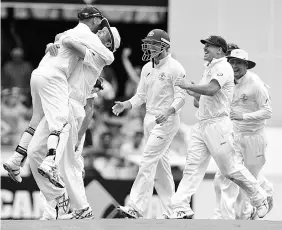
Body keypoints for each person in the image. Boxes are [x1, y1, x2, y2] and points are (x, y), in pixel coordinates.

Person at [3, 5, 113, 188]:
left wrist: (61, 42)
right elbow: (109, 57)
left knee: (35, 120)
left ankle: (16, 159)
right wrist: (63, 42)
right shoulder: (88, 36)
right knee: (61, 123)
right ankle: (50, 161)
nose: (101, 29)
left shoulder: (72, 32)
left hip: (38, 74)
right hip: (54, 78)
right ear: (94, 20)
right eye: (100, 25)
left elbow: (61, 38)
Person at [169, 35, 269, 219]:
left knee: (229, 169)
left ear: (221, 51)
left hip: (217, 125)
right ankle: (180, 206)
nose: (205, 48)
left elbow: (212, 89)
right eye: (205, 46)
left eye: (210, 46)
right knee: (192, 167)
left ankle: (259, 197)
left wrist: (190, 86)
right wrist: (186, 87)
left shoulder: (223, 67)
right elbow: (201, 97)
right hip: (202, 124)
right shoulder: (209, 68)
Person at [28, 24, 120, 220]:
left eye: (104, 33)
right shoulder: (82, 51)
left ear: (108, 43)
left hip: (71, 107)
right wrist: (51, 45)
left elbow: (69, 39)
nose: (99, 31)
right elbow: (62, 38)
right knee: (35, 152)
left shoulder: (98, 57)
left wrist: (79, 136)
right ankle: (59, 200)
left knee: (65, 163)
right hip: (57, 102)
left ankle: (80, 208)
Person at [112, 29, 186, 219]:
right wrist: (125, 104)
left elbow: (181, 98)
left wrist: (168, 112)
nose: (150, 47)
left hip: (167, 120)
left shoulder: (176, 68)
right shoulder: (147, 68)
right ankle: (174, 210)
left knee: (146, 161)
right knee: (161, 167)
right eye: (149, 43)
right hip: (149, 119)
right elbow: (141, 96)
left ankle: (136, 208)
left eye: (154, 44)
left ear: (165, 46)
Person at [212, 48, 274, 220]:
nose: (234, 66)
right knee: (231, 173)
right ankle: (245, 211)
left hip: (255, 137)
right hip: (236, 135)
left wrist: (243, 116)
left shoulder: (255, 84)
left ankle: (265, 191)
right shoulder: (228, 82)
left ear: (246, 65)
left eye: (238, 62)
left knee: (250, 178)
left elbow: (268, 111)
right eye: (231, 62)